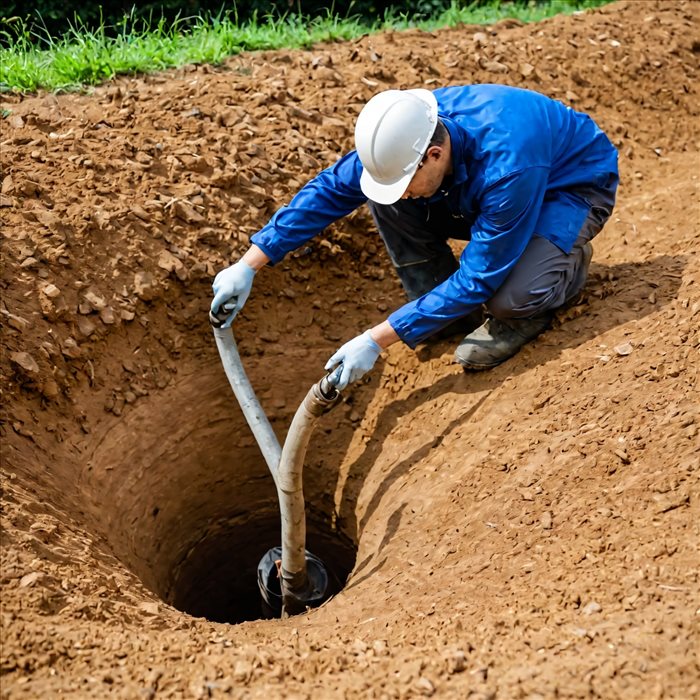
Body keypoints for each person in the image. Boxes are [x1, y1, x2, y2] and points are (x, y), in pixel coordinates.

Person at [211, 84, 618, 390]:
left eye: (406, 180)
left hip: (568, 189)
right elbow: (333, 189)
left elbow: (480, 276)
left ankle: (548, 278)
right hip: (484, 191)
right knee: (385, 198)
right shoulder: (406, 132)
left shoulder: (507, 166)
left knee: (508, 295)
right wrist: (249, 263)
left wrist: (376, 339)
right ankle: (449, 313)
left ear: (435, 156)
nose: (402, 190)